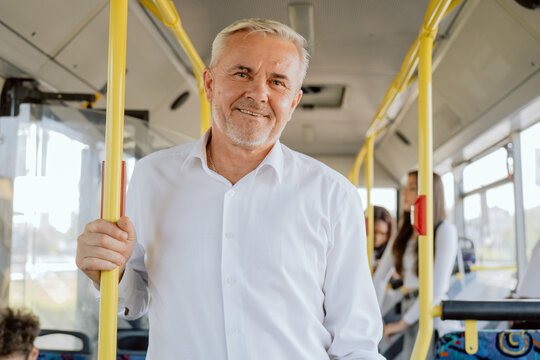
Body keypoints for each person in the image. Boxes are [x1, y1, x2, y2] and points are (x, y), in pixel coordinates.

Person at [76, 18, 384, 359]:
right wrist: (110, 271)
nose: (258, 93)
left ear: (293, 102)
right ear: (209, 83)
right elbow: (134, 298)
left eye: (277, 82)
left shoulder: (333, 195)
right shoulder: (152, 176)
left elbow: (355, 340)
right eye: (242, 73)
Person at [373, 170, 458, 358]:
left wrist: (401, 323)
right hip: (409, 307)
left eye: (412, 188)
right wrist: (373, 320)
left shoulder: (445, 230)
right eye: (406, 188)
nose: (405, 194)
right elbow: (379, 278)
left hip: (430, 312)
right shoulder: (404, 233)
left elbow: (436, 288)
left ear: (428, 193)